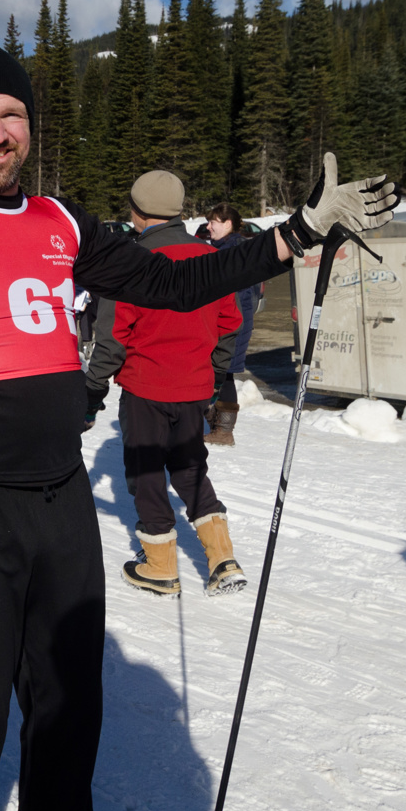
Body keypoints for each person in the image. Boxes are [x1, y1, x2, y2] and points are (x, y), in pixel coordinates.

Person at [0, 42, 397, 811]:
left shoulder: (62, 223)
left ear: (29, 130)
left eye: (10, 115)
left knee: (68, 692)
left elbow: (176, 282)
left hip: (56, 490)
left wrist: (297, 236)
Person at [84, 171, 247, 598]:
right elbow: (230, 322)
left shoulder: (129, 262)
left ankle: (160, 567)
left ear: (135, 211)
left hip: (146, 387)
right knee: (191, 467)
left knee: (147, 473)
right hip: (194, 386)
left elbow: (113, 338)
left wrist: (92, 387)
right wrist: (214, 376)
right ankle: (222, 559)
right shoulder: (210, 257)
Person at [202, 204, 262, 446]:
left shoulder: (233, 251)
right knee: (218, 372)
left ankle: (223, 431)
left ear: (227, 224)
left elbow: (234, 295)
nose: (208, 226)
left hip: (230, 325)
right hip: (231, 323)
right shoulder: (229, 249)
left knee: (223, 373)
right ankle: (216, 423)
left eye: (213, 222)